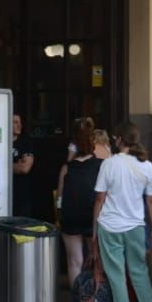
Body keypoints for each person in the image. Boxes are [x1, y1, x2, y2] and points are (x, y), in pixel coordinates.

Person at [92, 122, 152, 302]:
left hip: (109, 225)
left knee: (115, 273)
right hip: (135, 225)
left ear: (119, 140)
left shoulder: (109, 164)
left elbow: (99, 198)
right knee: (139, 271)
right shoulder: (147, 166)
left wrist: (95, 228)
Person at [56, 118, 102, 289]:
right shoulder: (100, 166)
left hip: (71, 216)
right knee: (96, 258)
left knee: (74, 262)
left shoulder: (67, 168)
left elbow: (59, 197)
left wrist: (59, 216)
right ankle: (96, 297)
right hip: (93, 216)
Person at [10, 113, 35, 218]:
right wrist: (15, 166)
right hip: (2, 197)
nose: (19, 125)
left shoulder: (25, 143)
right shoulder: (0, 142)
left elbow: (25, 168)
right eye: (15, 122)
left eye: (20, 122)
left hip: (21, 197)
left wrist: (4, 166)